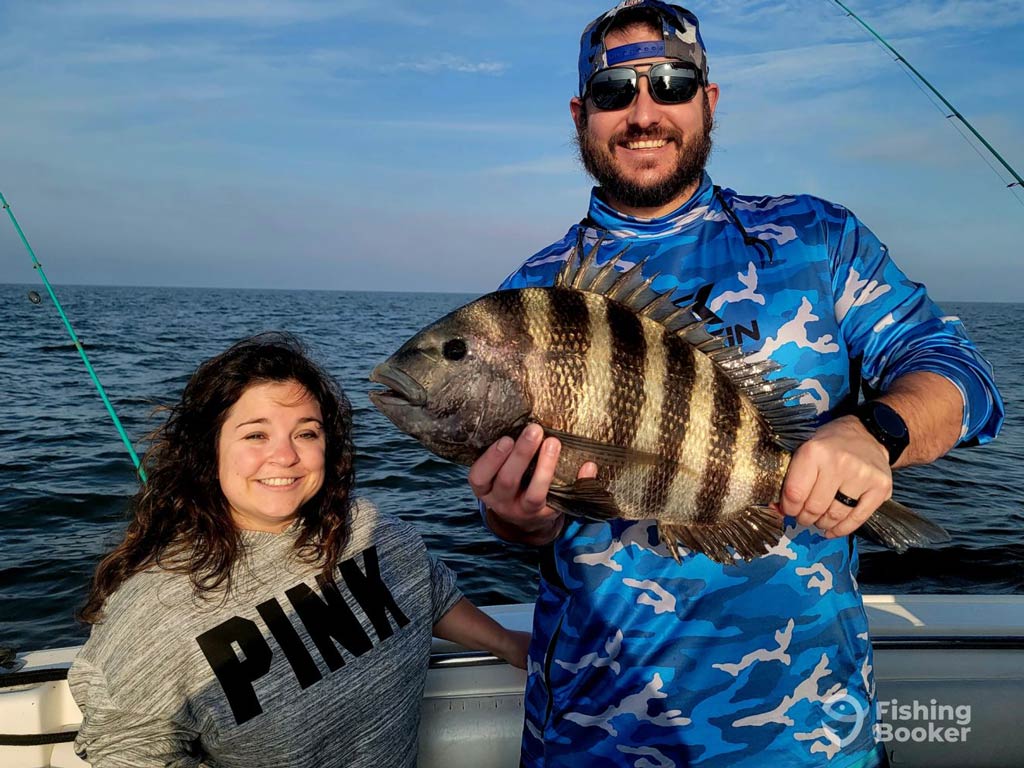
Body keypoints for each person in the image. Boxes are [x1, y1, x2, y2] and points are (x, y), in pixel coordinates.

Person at [467, 3, 1004, 767]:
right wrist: (517, 519)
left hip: (807, 734)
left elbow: (960, 375)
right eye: (615, 92)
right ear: (582, 114)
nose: (644, 111)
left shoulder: (816, 239)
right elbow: (515, 519)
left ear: (708, 101)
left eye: (671, 82)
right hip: (593, 739)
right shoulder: (532, 295)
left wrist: (877, 432)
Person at [69, 332, 530, 768]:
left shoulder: (370, 529)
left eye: (306, 433)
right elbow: (128, 747)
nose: (286, 456)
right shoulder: (154, 606)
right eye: (256, 435)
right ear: (208, 450)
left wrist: (508, 643)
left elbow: (429, 592)